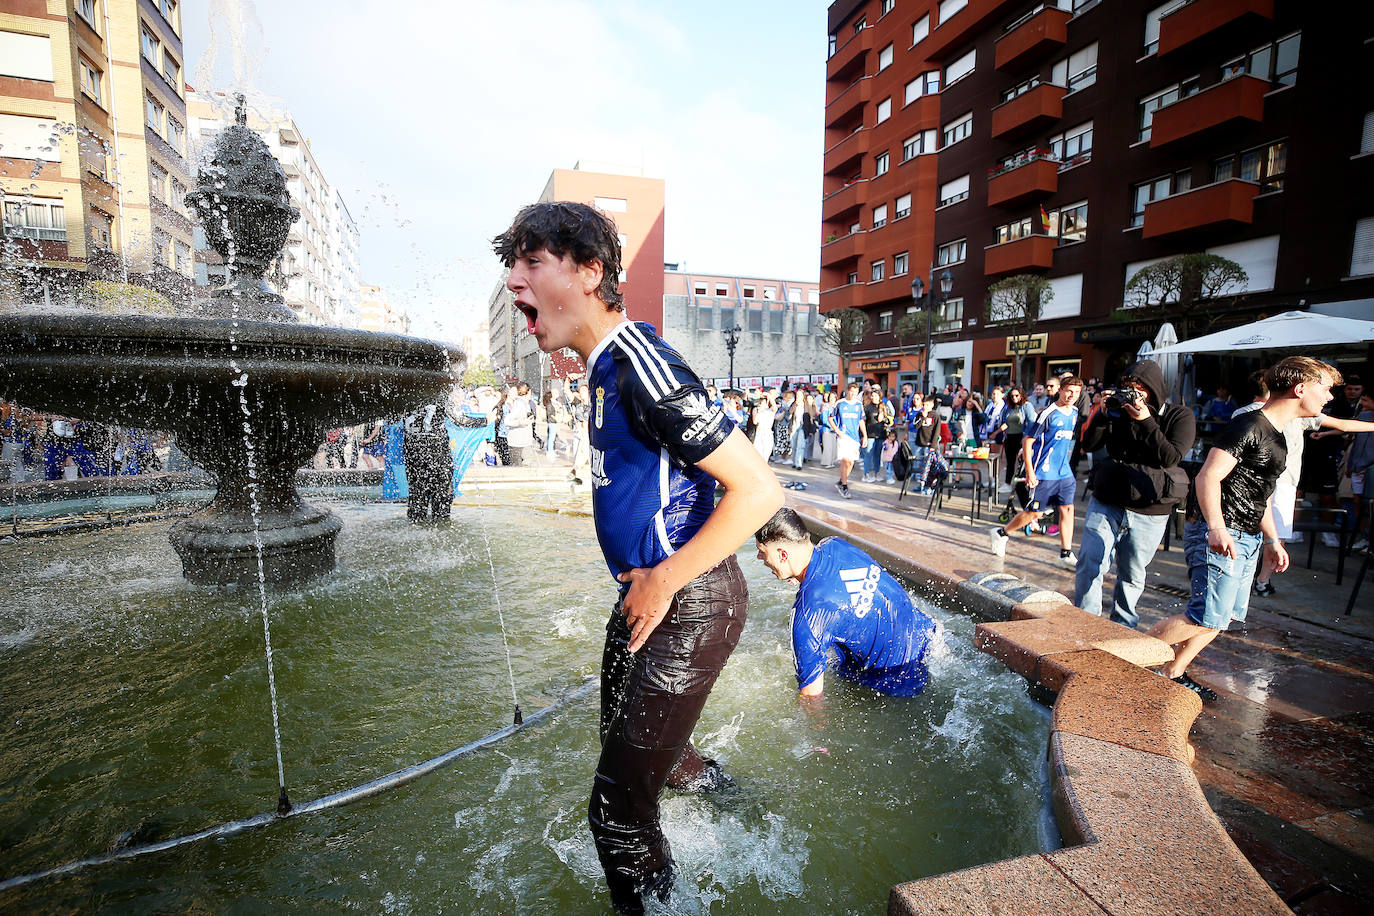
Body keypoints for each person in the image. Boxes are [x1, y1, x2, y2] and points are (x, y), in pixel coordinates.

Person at [494, 200, 783, 915]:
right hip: (651, 600)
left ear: (591, 272)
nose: (514, 284)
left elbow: (758, 489)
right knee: (652, 764)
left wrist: (664, 578)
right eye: (512, 267)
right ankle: (751, 817)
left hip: (689, 600)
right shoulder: (598, 370)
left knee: (615, 815)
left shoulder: (642, 364)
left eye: (532, 263)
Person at [1146, 357, 1340, 701]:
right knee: (1204, 615)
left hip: (1247, 534)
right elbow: (1208, 476)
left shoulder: (1278, 435)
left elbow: (1257, 495)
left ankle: (1171, 671)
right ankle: (1117, 660)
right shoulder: (1249, 425)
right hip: (1221, 532)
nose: (1328, 397)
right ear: (1300, 389)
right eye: (1324, 388)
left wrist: (1272, 540)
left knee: (1222, 618)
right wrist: (1217, 528)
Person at [754, 507, 940, 697]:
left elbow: (812, 698)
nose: (759, 557)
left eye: (762, 551)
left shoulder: (808, 614)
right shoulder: (835, 544)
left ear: (783, 555)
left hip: (898, 686)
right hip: (930, 639)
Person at [1072, 360, 1196, 628]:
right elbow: (1089, 444)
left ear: (1153, 389)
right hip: (1108, 500)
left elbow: (1171, 456)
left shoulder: (1179, 416)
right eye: (1128, 387)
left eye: (1139, 388)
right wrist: (1104, 414)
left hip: (1150, 509)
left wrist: (1146, 420)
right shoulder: (1117, 411)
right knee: (1090, 561)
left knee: (1131, 574)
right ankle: (1083, 623)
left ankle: (1123, 626)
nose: (1133, 394)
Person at [1237, 373, 1374, 595]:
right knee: (1273, 536)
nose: (1328, 397)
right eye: (1324, 390)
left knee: (1252, 533)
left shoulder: (1246, 413)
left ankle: (1248, 580)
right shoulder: (1294, 413)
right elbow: (1342, 424)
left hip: (1263, 481)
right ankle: (1261, 581)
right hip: (1280, 481)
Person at [989, 376, 1084, 569]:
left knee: (1067, 509)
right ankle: (1002, 533)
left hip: (1064, 472)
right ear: (1061, 390)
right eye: (1068, 391)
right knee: (1034, 513)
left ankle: (1065, 553)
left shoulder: (1074, 412)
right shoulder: (1048, 413)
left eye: (1076, 392)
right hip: (1044, 472)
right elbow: (1028, 440)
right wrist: (1031, 472)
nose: (1072, 395)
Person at [833, 382, 867, 498]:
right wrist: (837, 431)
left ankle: (841, 481)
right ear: (848, 390)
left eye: (856, 392)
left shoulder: (859, 405)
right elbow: (830, 418)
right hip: (843, 436)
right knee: (845, 460)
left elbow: (861, 420)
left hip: (855, 437)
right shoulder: (840, 403)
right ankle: (844, 486)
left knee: (851, 462)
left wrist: (865, 435)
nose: (853, 394)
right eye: (852, 391)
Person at [752, 388, 777, 462]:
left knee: (766, 454)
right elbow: (755, 422)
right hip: (759, 432)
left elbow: (775, 407)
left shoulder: (770, 410)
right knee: (758, 454)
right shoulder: (756, 410)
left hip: (768, 433)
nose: (762, 404)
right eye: (761, 402)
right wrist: (759, 411)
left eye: (764, 402)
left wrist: (769, 396)